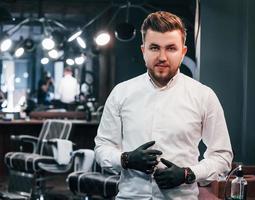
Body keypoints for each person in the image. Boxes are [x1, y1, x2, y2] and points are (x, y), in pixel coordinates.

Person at [94, 11, 233, 199]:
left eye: (171, 48)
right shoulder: (121, 93)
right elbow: (102, 148)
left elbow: (222, 156)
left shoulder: (204, 96)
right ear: (143, 50)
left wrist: (188, 174)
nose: (162, 57)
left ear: (183, 52)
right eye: (154, 48)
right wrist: (125, 159)